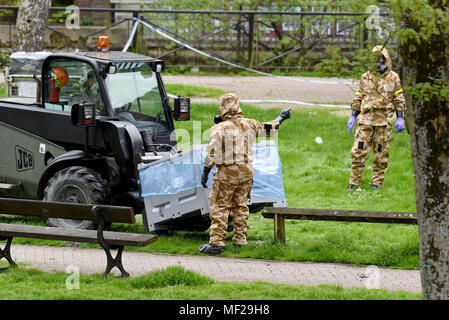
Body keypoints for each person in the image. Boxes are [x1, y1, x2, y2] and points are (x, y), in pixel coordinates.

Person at [199, 93, 291, 255]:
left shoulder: (218, 128)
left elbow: (211, 153)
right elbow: (271, 128)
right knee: (240, 205)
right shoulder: (249, 124)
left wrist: (205, 171)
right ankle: (240, 240)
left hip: (227, 171)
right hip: (246, 171)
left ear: (222, 109)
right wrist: (282, 116)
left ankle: (217, 242)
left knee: (220, 205)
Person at [346, 45, 406, 190]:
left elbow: (399, 98)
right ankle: (354, 182)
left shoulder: (393, 77)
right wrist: (353, 116)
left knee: (381, 154)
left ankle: (377, 183)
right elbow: (358, 96)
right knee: (358, 152)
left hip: (383, 123)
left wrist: (400, 117)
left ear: (385, 59)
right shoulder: (366, 77)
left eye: (380, 58)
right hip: (365, 121)